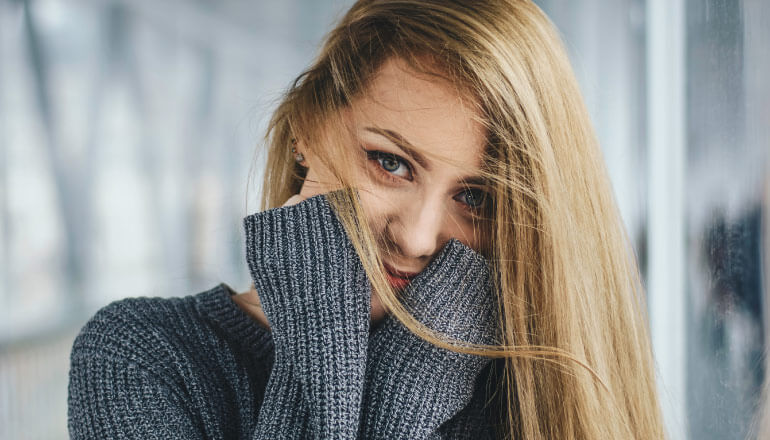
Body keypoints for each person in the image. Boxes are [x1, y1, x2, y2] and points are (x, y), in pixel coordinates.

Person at [67, 0, 666, 439]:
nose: (418, 236)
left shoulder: (532, 388)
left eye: (475, 199)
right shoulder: (143, 356)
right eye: (391, 163)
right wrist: (332, 369)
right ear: (306, 127)